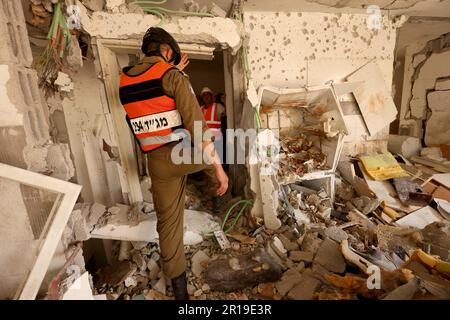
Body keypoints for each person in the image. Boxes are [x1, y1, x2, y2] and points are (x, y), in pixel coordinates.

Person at [118, 27, 228, 300]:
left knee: (167, 224)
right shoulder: (172, 76)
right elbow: (197, 126)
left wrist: (172, 72)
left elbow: (152, 97)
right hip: (181, 154)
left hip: (155, 161)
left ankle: (179, 291)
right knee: (216, 155)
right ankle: (217, 196)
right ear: (167, 51)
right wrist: (219, 170)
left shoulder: (124, 80)